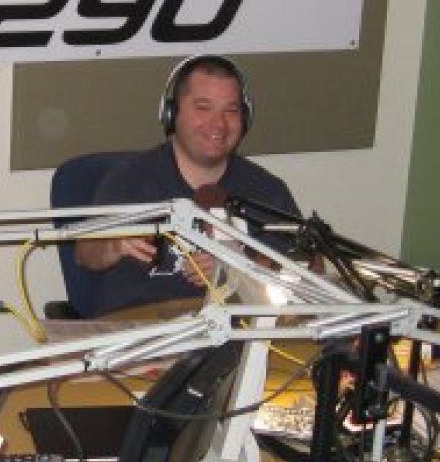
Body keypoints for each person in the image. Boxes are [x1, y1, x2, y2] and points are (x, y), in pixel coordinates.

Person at [74, 54, 301, 317]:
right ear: (172, 114)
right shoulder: (131, 179)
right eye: (203, 108)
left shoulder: (266, 189)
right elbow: (85, 253)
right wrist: (114, 245)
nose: (219, 123)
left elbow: (309, 267)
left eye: (231, 110)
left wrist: (239, 267)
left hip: (236, 330)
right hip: (145, 330)